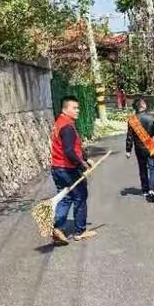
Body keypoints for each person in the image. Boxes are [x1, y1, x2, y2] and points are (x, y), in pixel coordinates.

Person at [51, 96, 96, 243]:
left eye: (78, 108)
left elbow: (74, 146)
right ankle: (80, 231)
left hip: (57, 168)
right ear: (65, 109)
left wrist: (86, 157)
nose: (78, 110)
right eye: (74, 108)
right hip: (67, 169)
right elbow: (69, 151)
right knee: (80, 196)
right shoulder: (67, 127)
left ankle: (58, 228)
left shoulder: (61, 122)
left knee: (65, 197)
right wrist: (82, 166)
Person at [126, 98, 154, 203]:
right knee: (153, 168)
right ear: (143, 106)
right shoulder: (151, 117)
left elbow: (129, 136)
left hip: (139, 148)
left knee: (142, 168)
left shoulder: (132, 120)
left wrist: (128, 150)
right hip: (151, 147)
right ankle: (152, 189)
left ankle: (145, 189)